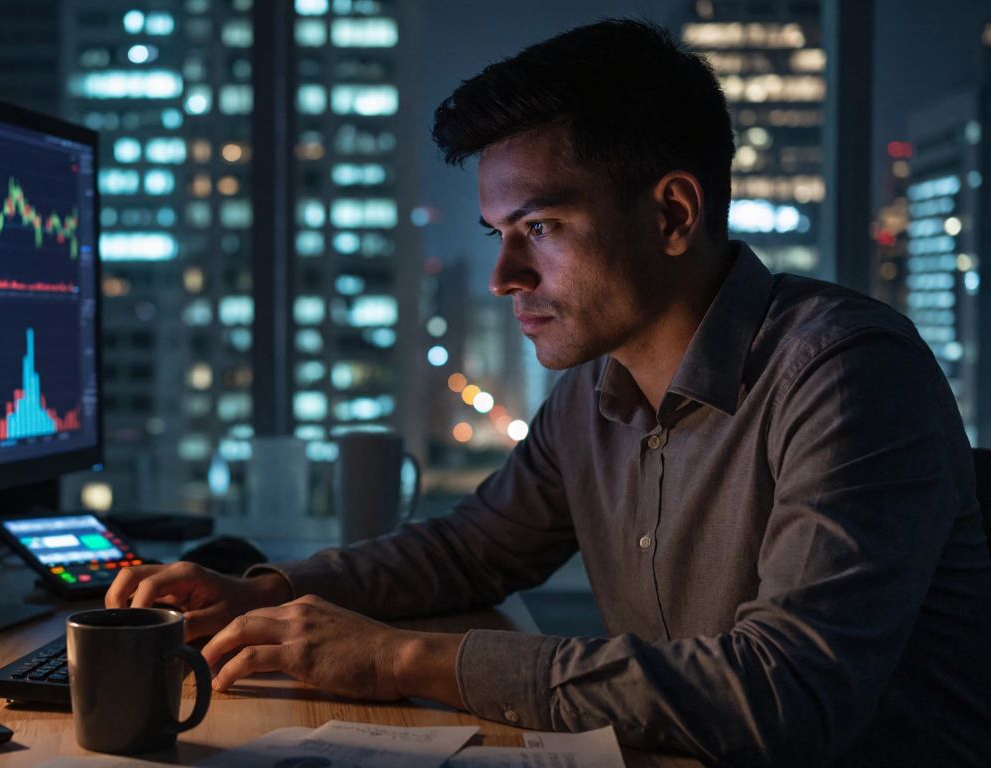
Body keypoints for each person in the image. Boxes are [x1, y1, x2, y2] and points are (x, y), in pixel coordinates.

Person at [106, 19, 991, 767]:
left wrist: (404, 660)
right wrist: (268, 595)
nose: (503, 274)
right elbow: (472, 553)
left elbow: (787, 696)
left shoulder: (846, 375)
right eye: (498, 231)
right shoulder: (595, 385)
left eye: (540, 227)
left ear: (673, 214)